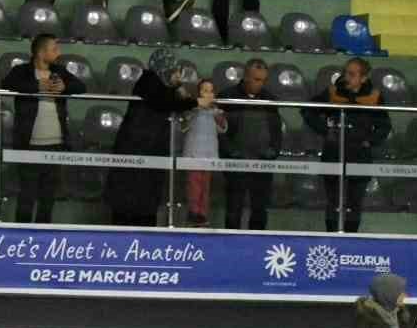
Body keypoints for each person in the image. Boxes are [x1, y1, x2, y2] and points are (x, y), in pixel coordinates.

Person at [105, 49, 197, 227]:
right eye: (173, 71)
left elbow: (175, 99)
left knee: (147, 198)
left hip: (151, 148)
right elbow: (164, 102)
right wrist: (194, 102)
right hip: (135, 148)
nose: (177, 75)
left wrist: (178, 87)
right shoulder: (148, 81)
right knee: (127, 199)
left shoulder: (163, 86)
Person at [4, 33, 86, 224]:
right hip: (29, 144)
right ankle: (21, 237)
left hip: (56, 143)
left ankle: (43, 237)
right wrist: (36, 85)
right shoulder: (22, 71)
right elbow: (7, 84)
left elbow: (81, 86)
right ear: (41, 52)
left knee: (48, 198)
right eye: (54, 48)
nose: (59, 52)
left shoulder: (59, 71)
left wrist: (65, 87)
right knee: (27, 196)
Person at [304, 58, 390, 234]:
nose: (346, 77)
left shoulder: (374, 97)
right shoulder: (332, 92)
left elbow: (385, 126)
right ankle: (331, 238)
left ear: (363, 78)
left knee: (354, 203)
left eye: (352, 74)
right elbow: (307, 110)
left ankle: (351, 239)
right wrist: (325, 131)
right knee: (333, 202)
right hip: (333, 153)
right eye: (345, 72)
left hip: (360, 156)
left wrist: (369, 141)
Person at [221, 58, 283, 231]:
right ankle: (229, 245)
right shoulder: (228, 97)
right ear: (246, 76)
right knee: (234, 208)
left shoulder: (270, 99)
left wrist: (273, 151)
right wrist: (229, 151)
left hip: (262, 163)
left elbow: (276, 131)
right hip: (236, 161)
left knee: (260, 209)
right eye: (256, 79)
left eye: (263, 80)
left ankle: (258, 246)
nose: (260, 84)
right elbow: (219, 130)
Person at [181, 78, 227, 227]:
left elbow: (223, 128)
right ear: (198, 93)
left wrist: (218, 115)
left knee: (206, 186)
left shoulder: (216, 111)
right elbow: (183, 125)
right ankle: (193, 212)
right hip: (194, 152)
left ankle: (203, 213)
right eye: (204, 90)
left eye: (211, 91)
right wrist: (195, 108)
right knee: (194, 184)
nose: (208, 93)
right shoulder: (192, 109)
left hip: (209, 153)